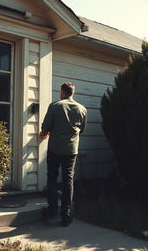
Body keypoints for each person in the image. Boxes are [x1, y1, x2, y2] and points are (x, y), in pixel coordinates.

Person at [40, 82, 87, 227]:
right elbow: (82, 129)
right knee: (68, 179)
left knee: (52, 177)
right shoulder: (82, 109)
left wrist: (43, 133)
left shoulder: (55, 106)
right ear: (72, 92)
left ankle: (53, 211)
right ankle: (66, 216)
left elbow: (46, 126)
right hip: (71, 150)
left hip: (55, 148)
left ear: (62, 92)